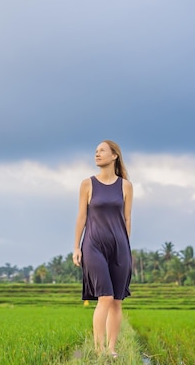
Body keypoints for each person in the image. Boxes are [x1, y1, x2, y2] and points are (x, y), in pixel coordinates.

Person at [73, 140, 133, 358]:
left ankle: (111, 349)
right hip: (93, 245)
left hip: (119, 247)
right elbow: (81, 217)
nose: (97, 154)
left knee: (116, 300)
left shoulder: (125, 186)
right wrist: (76, 247)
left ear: (114, 155)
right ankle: (99, 350)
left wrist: (126, 247)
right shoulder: (87, 184)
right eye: (95, 151)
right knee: (105, 297)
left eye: (102, 151)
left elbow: (127, 219)